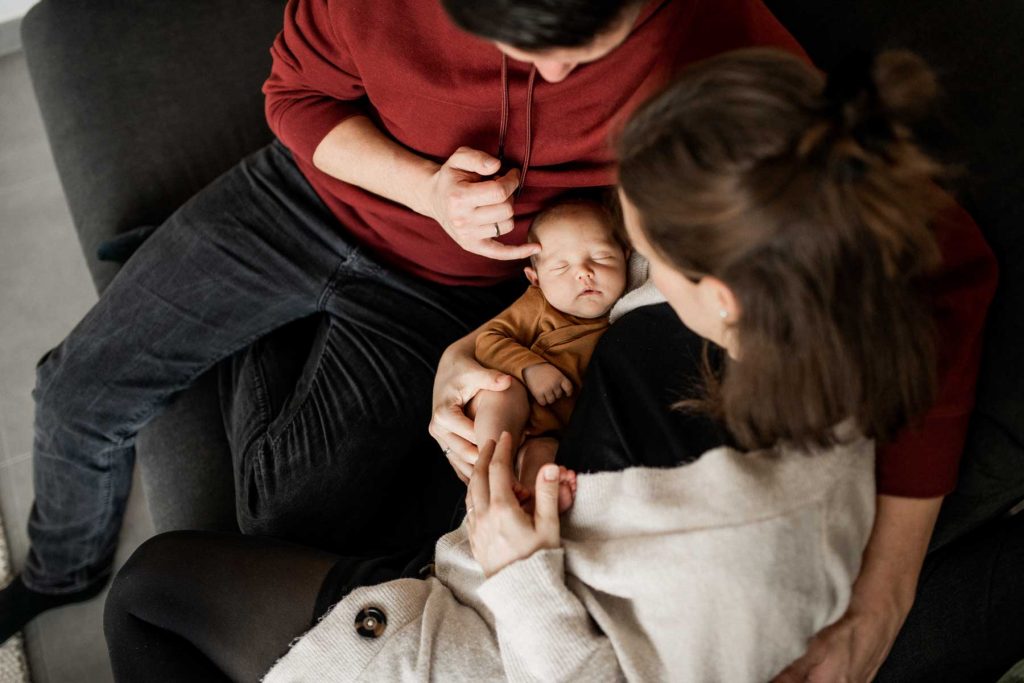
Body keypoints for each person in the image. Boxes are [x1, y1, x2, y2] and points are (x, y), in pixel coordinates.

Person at [101, 47, 1012, 682]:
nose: (622, 248)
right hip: (483, 561)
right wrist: (473, 356)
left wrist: (519, 574)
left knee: (147, 591)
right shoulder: (821, 291)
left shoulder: (736, 565)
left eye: (638, 238)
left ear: (720, 293)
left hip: (487, 641)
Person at [0, 0, 812, 642]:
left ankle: (245, 324)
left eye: (591, 41)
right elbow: (293, 95)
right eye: (529, 46)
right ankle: (61, 572)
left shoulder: (709, 26)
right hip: (301, 201)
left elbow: (829, 178)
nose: (561, 70)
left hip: (436, 289)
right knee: (75, 394)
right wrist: (427, 190)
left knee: (284, 515)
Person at [470, 200, 627, 494]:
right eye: (561, 266)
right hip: (514, 407)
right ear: (536, 279)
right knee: (504, 390)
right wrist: (530, 368)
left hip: (554, 431)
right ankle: (490, 468)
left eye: (602, 257)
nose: (584, 273)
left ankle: (527, 498)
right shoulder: (538, 305)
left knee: (545, 458)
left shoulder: (628, 311)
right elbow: (488, 339)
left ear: (626, 256)